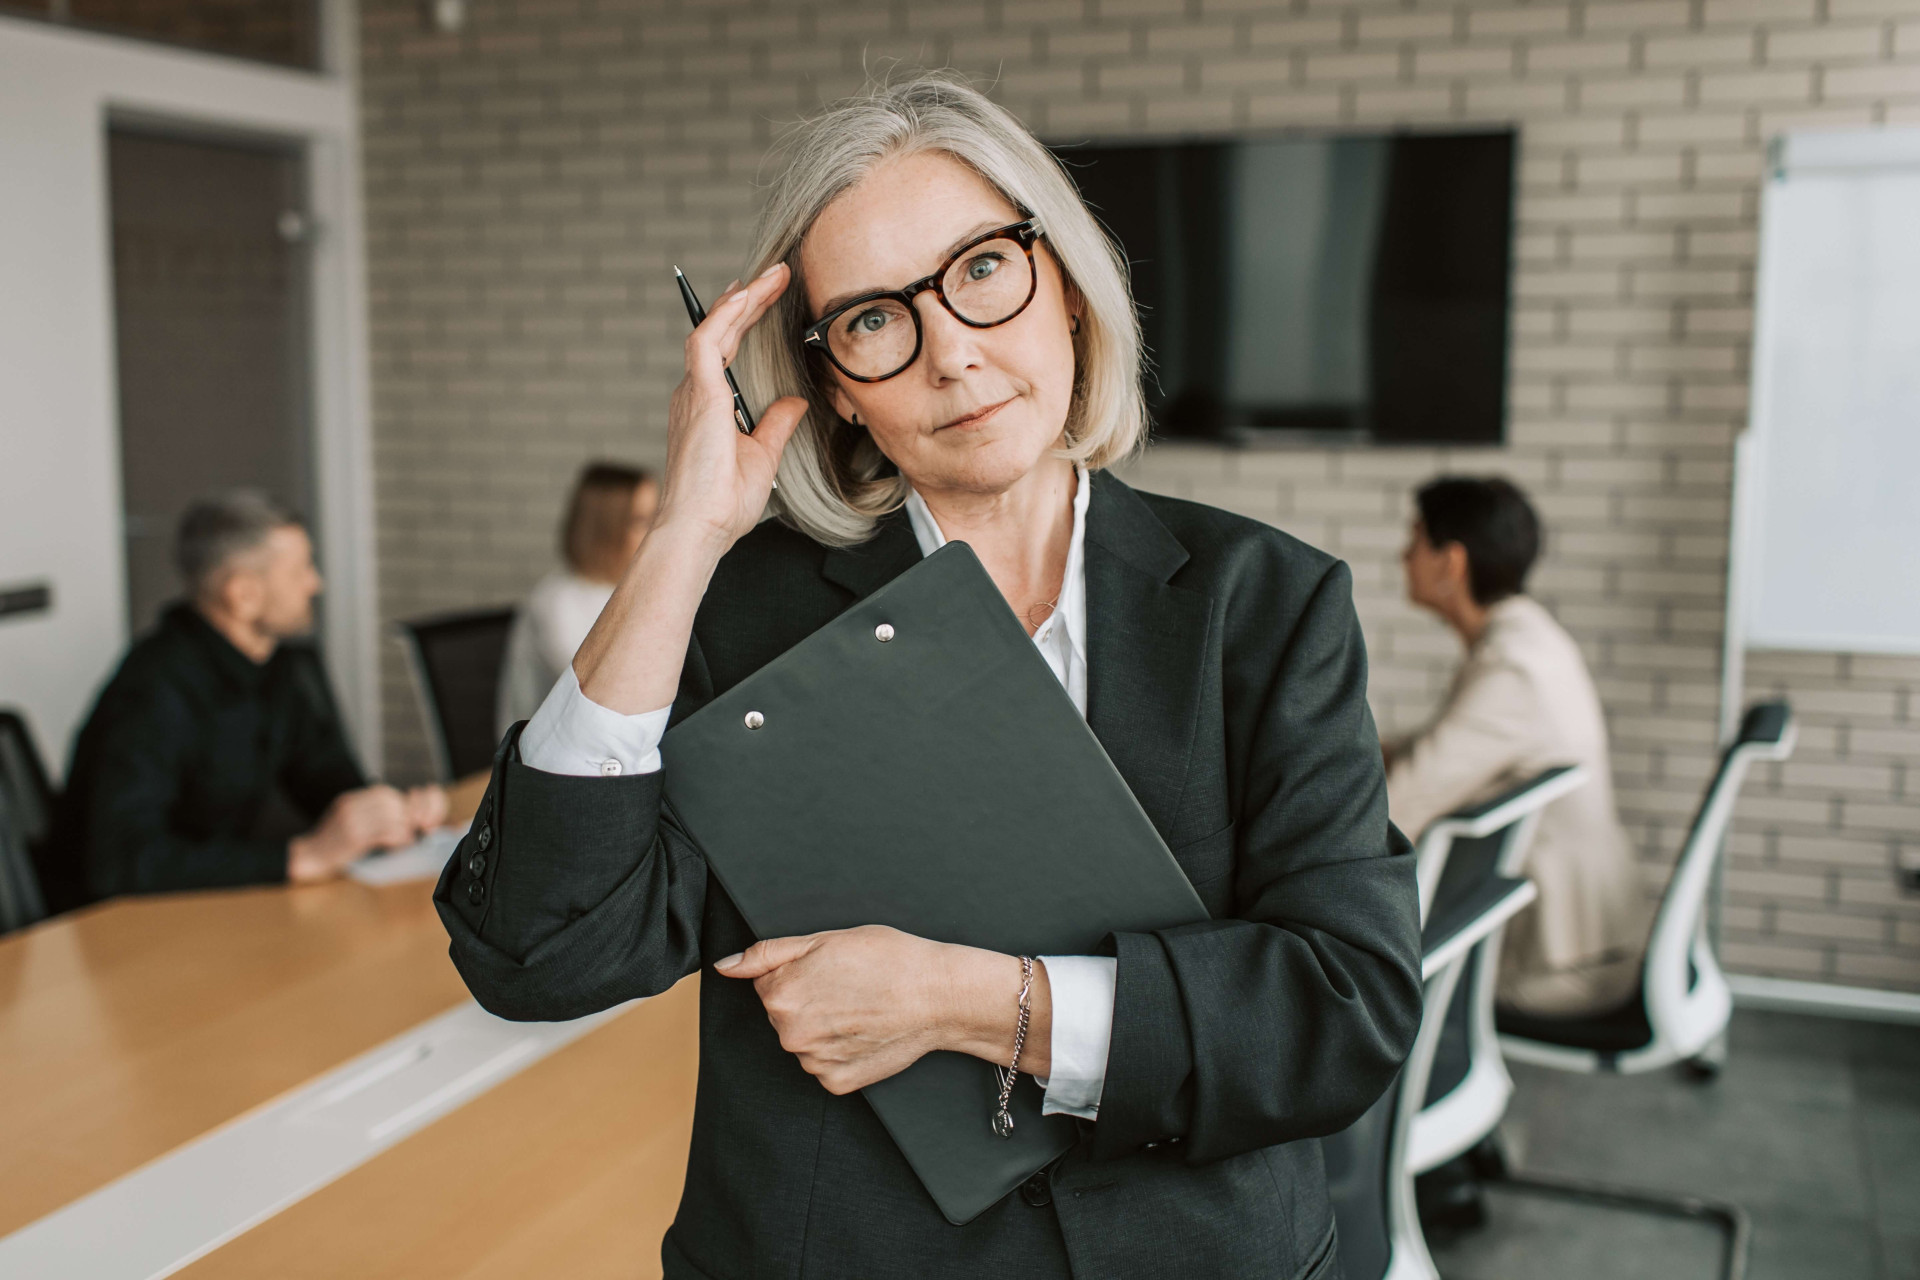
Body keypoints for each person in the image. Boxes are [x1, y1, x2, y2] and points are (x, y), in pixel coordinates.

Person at [437, 75, 1420, 1280]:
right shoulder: (743, 616)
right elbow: (537, 954)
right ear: (836, 382)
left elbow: (1347, 1006)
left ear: (1061, 283)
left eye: (982, 271)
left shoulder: (1264, 603)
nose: (953, 352)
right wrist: (682, 540)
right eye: (873, 319)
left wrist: (969, 1000)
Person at [51, 492, 446, 908]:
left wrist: (392, 816)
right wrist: (302, 856)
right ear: (243, 595)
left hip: (208, 910)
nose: (316, 584)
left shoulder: (277, 666)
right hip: (111, 931)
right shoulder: (153, 688)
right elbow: (122, 862)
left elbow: (324, 778)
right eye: (300, 572)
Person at [1384, 476, 1647, 1018]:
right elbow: (1439, 749)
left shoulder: (1512, 669)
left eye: (1414, 541)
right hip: (1577, 939)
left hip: (1562, 966)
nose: (1402, 556)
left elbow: (1397, 808)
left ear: (1450, 563)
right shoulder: (1528, 639)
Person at [495, 462, 659, 735]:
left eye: (656, 517)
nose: (654, 532)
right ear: (607, 528)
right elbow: (604, 697)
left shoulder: (628, 589)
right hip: (549, 759)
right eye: (641, 521)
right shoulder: (558, 604)